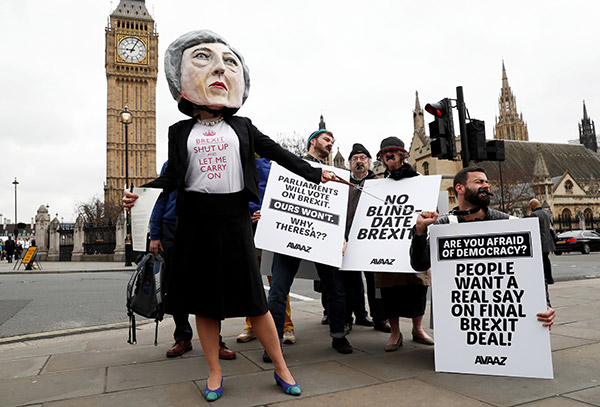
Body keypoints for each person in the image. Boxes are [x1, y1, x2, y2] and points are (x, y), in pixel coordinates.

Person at [124, 30, 335, 401]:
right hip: (194, 220)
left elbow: (280, 154)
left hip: (234, 215)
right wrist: (140, 192)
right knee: (204, 302)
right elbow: (173, 176)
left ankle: (281, 368)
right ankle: (214, 373)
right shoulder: (180, 131)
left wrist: (316, 173)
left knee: (255, 299)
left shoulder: (243, 127)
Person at [410, 167, 556, 329]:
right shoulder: (442, 225)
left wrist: (545, 304)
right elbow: (420, 264)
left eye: (486, 182)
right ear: (460, 188)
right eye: (479, 182)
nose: (486, 185)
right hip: (460, 324)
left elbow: (533, 271)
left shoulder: (509, 223)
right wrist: (420, 232)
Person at [266, 129, 353, 358]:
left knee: (335, 287)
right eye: (326, 140)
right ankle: (274, 343)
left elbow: (338, 209)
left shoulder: (334, 174)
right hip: (290, 236)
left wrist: (342, 235)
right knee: (278, 290)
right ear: (313, 141)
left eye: (332, 142)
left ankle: (338, 335)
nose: (330, 144)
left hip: (323, 237)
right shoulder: (288, 166)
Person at [150, 160, 236, 360]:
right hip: (172, 227)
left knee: (211, 285)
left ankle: (216, 339)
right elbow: (160, 197)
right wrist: (155, 234)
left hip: (206, 225)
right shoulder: (171, 163)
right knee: (176, 286)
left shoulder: (214, 159)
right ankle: (182, 337)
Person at [372, 137, 434, 352]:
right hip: (387, 244)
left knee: (417, 287)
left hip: (413, 242)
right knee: (389, 290)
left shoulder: (418, 180)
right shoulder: (379, 185)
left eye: (393, 152)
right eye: (385, 153)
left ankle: (418, 329)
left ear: (402, 155)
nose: (389, 156)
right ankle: (395, 333)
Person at [237, 156, 297, 345]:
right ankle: (252, 325)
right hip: (247, 229)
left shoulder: (273, 166)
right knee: (251, 280)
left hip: (270, 227)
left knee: (276, 281)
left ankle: (286, 326)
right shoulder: (236, 164)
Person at [345, 143, 390, 333]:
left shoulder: (380, 182)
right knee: (349, 282)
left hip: (372, 239)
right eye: (355, 159)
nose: (359, 162)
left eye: (363, 158)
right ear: (350, 164)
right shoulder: (342, 183)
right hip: (348, 239)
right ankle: (351, 317)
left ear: (369, 162)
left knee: (375, 282)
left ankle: (380, 318)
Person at [529, 198, 555, 284]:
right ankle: (549, 278)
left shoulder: (534, 215)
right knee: (546, 259)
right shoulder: (547, 214)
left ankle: (544, 278)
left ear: (533, 206)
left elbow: (532, 229)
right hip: (547, 240)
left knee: (541, 261)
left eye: (530, 206)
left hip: (539, 241)